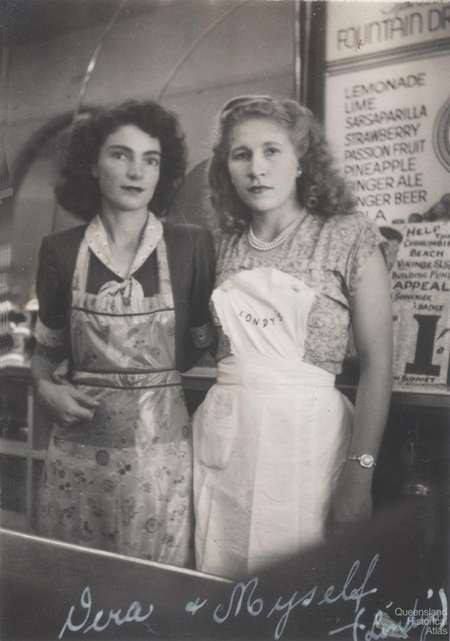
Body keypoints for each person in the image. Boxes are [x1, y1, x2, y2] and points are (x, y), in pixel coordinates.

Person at [193, 95, 393, 579]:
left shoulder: (348, 236)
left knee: (298, 593)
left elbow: (378, 364)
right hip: (225, 443)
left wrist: (359, 475)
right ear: (226, 168)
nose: (256, 169)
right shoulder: (219, 244)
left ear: (302, 160)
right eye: (241, 155)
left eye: (272, 151)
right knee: (220, 589)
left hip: (309, 445)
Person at [32, 100, 215, 566]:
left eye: (150, 159)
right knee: (73, 591)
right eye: (120, 155)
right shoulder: (58, 251)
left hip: (162, 459)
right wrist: (45, 389)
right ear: (92, 166)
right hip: (77, 452)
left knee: (151, 598)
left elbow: (201, 343)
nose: (136, 172)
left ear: (162, 170)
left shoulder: (191, 246)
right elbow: (45, 353)